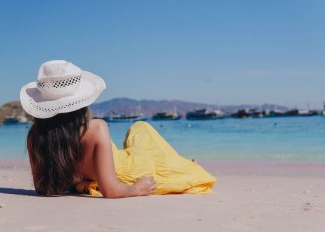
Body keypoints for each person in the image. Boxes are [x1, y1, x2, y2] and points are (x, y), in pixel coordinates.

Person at [20, 60, 216, 198]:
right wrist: (137, 189)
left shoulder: (35, 136)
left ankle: (180, 162)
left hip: (110, 169)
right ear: (79, 103)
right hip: (131, 169)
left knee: (140, 134)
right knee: (141, 127)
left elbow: (42, 188)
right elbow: (111, 191)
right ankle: (181, 162)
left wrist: (77, 184)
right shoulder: (96, 128)